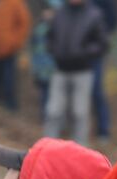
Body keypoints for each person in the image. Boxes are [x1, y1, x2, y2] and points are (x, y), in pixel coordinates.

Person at [44, 0, 107, 145]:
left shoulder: (94, 14)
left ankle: (81, 151)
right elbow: (49, 37)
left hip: (83, 71)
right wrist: (55, 50)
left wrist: (83, 53)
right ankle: (47, 148)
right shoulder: (59, 14)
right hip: (60, 70)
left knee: (80, 114)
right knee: (53, 112)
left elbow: (102, 43)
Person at [89, 0, 115, 142]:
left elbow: (113, 22)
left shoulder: (104, 4)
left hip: (95, 54)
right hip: (74, 55)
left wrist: (99, 38)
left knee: (97, 92)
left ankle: (103, 130)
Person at [29, 0, 58, 118]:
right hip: (41, 70)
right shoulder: (38, 30)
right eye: (45, 11)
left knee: (55, 97)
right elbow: (34, 52)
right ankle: (45, 117)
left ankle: (56, 119)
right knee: (44, 95)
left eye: (50, 11)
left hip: (55, 70)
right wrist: (35, 69)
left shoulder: (58, 29)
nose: (47, 14)